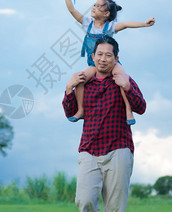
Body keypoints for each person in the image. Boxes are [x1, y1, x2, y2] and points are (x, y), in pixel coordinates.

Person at [62, 35, 146, 212]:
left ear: (116, 59)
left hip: (118, 149)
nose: (103, 59)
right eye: (99, 54)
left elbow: (141, 107)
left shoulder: (123, 79)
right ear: (92, 57)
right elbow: (70, 113)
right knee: (84, 201)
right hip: (89, 149)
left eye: (108, 55)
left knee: (114, 207)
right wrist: (69, 87)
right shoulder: (84, 82)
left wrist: (127, 87)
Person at [63, 0, 154, 125]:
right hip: (94, 64)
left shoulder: (110, 26)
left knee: (121, 77)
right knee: (80, 78)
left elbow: (126, 24)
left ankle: (128, 111)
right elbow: (72, 10)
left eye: (99, 7)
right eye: (94, 5)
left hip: (112, 63)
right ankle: (81, 110)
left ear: (106, 14)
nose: (94, 7)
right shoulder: (87, 23)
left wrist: (144, 23)